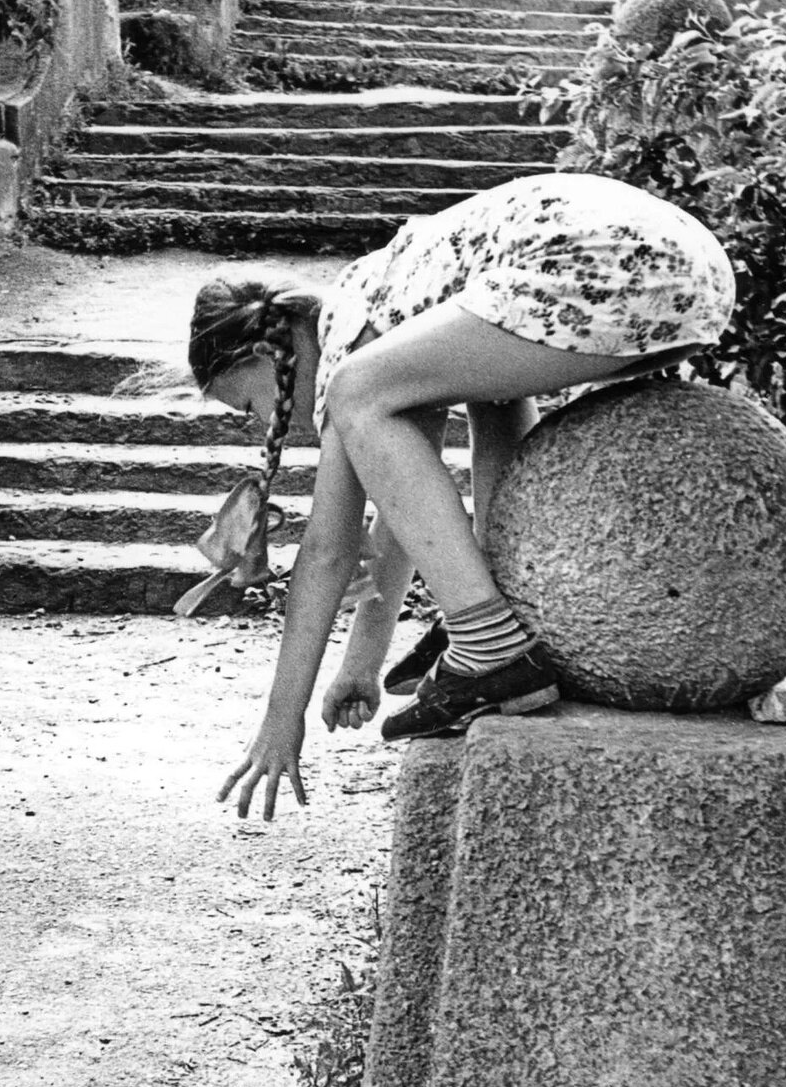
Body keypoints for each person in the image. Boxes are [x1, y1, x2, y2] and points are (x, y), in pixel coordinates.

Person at [185, 171, 736, 820]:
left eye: (250, 407)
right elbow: (401, 518)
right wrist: (361, 665)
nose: (270, 427)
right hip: (691, 274)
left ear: (264, 352)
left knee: (356, 391)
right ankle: (514, 614)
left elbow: (329, 552)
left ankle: (489, 646)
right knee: (492, 406)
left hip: (610, 262)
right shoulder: (389, 305)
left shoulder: (348, 342)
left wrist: (281, 722)